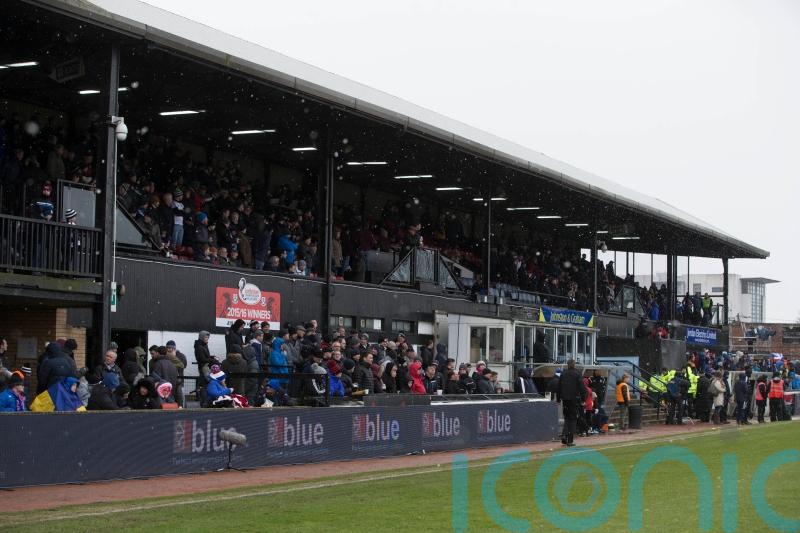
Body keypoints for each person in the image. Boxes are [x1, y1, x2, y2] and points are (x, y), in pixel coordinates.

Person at [558, 359, 586, 446]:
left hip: (565, 399)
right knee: (573, 418)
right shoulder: (577, 374)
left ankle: (564, 435)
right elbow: (582, 387)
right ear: (574, 365)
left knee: (567, 417)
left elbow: (559, 387)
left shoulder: (563, 374)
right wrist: (583, 399)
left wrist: (558, 398)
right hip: (574, 399)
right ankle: (570, 440)